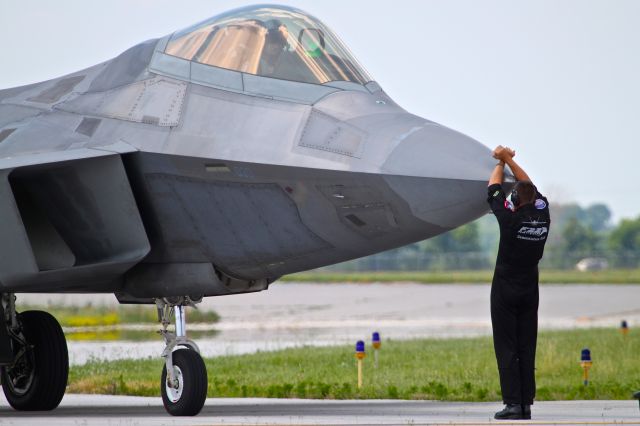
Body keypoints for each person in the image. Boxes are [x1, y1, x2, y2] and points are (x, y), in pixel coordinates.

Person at [487, 145, 550, 420]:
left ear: (515, 202)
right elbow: (529, 185)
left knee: (506, 346)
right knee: (527, 344)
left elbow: (493, 189)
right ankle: (525, 404)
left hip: (505, 289)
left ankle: (512, 404)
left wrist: (500, 162)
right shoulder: (543, 216)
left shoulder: (510, 219)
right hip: (529, 288)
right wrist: (509, 158)